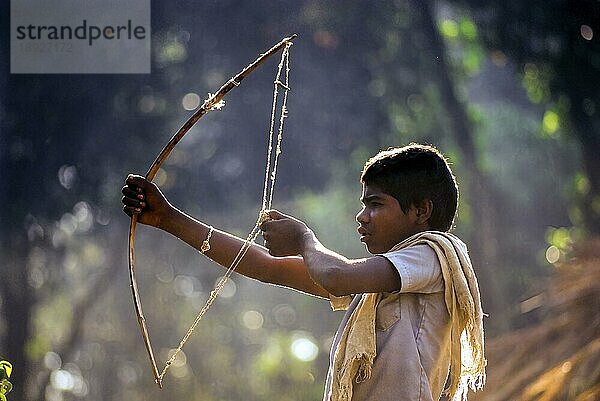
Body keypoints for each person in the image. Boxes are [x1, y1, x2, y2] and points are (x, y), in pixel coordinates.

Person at [122, 143, 485, 401]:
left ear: (421, 211)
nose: (362, 217)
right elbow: (268, 267)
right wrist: (168, 218)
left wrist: (303, 239)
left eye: (376, 205)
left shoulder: (433, 254)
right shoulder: (377, 281)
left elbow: (335, 276)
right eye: (364, 205)